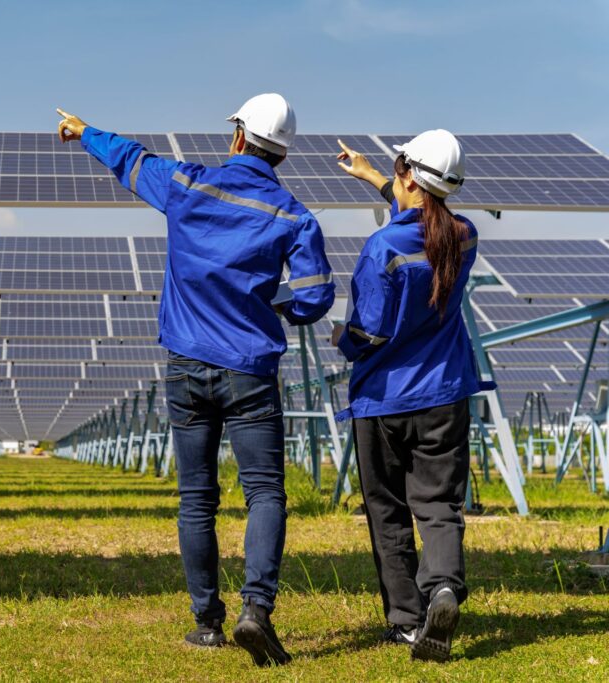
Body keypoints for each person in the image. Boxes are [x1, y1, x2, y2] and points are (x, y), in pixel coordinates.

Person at [57, 95, 335, 667]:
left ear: (238, 137)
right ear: (281, 154)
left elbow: (132, 159)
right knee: (264, 493)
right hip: (250, 369)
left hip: (186, 366)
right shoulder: (294, 217)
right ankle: (256, 610)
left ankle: (207, 622)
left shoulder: (188, 184)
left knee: (197, 498)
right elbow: (315, 297)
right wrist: (273, 306)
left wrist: (85, 131)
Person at [332, 130, 481, 662]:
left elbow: (368, 331)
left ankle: (406, 621)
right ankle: (442, 589)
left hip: (384, 398)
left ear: (410, 177)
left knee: (387, 509)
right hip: (444, 393)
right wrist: (375, 177)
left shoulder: (382, 247)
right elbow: (426, 219)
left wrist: (341, 338)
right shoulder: (465, 237)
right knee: (439, 505)